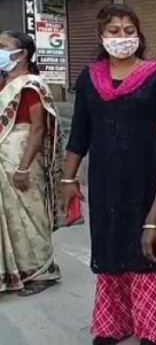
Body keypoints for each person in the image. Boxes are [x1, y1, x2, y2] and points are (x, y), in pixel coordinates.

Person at [62, 4, 156, 345]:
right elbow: (79, 136)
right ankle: (114, 324)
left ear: (139, 35)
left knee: (149, 253)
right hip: (104, 184)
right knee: (111, 250)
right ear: (102, 36)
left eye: (129, 30)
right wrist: (68, 180)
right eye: (114, 31)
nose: (122, 37)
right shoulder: (89, 78)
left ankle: (152, 328)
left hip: (148, 183)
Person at [0, 30, 64, 297]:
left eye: (3, 46)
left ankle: (43, 271)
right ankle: (16, 271)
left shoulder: (32, 85)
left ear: (22, 53)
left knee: (30, 215)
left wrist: (24, 166)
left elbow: (38, 129)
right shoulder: (5, 83)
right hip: (5, 157)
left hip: (23, 158)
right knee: (10, 218)